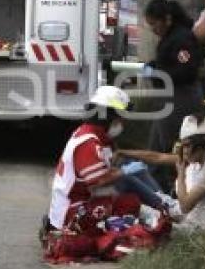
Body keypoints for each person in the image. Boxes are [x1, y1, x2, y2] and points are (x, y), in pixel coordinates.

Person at [47, 86, 174, 232]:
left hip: (83, 199)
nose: (123, 122)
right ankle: (164, 208)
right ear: (108, 116)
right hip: (74, 210)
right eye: (120, 117)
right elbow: (98, 183)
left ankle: (165, 204)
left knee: (131, 169)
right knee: (127, 186)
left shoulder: (98, 136)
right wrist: (123, 173)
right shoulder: (88, 142)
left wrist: (125, 168)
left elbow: (109, 168)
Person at [116, 114, 205, 233]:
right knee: (137, 170)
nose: (184, 151)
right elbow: (157, 157)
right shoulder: (197, 161)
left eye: (187, 145)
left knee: (128, 193)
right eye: (183, 146)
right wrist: (123, 152)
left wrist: (181, 175)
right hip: (175, 209)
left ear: (203, 142)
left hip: (190, 228)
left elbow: (185, 206)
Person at [143, 0, 204, 189]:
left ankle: (175, 190)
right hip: (167, 99)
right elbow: (167, 62)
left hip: (180, 100)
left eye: (154, 24)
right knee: (155, 147)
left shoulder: (182, 38)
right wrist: (153, 66)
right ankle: (156, 189)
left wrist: (158, 74)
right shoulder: (170, 37)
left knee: (171, 146)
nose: (153, 29)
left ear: (167, 19)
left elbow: (186, 70)